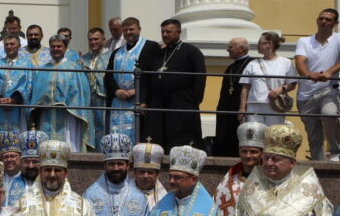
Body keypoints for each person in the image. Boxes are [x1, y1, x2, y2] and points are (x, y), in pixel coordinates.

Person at [294, 8, 340, 160]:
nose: (323, 22)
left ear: (335, 23)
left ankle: (335, 152)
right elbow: (300, 61)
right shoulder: (304, 41)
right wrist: (309, 74)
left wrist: (329, 72)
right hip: (306, 94)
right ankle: (318, 163)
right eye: (321, 18)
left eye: (328, 19)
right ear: (317, 20)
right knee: (314, 135)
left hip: (328, 90)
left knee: (330, 114)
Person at [142, 19, 206, 149]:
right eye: (163, 32)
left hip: (182, 102)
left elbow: (200, 78)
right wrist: (145, 100)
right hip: (158, 102)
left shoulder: (191, 51)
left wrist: (194, 100)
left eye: (168, 32)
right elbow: (147, 77)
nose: (165, 35)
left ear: (178, 32)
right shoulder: (158, 53)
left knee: (179, 138)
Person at [29, 35, 94, 152]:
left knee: (67, 143)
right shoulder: (43, 69)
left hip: (68, 114)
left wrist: (66, 100)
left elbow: (82, 92)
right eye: (53, 47)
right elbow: (37, 92)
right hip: (46, 114)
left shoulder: (74, 68)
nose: (56, 49)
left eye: (59, 46)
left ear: (65, 48)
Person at [104, 17, 160, 142]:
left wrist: (137, 91)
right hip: (118, 102)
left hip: (140, 101)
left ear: (139, 29)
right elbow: (108, 75)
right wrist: (116, 90)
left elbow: (155, 75)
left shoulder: (151, 47)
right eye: (125, 30)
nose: (128, 33)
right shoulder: (116, 52)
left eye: (131, 29)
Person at [238, 32, 295, 127]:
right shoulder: (252, 64)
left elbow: (292, 84)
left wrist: (281, 89)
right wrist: (242, 108)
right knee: (255, 138)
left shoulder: (286, 63)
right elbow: (245, 88)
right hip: (254, 106)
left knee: (273, 136)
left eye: (260, 42)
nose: (257, 45)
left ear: (270, 44)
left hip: (275, 106)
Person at [214, 37, 254, 155]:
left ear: (241, 48)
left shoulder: (252, 65)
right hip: (226, 110)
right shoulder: (230, 67)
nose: (227, 49)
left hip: (241, 109)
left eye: (230, 46)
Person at [80, 27, 110, 151]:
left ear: (103, 39)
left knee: (103, 126)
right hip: (87, 99)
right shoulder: (83, 59)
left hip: (104, 98)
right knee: (89, 128)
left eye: (96, 39)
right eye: (90, 39)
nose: (93, 42)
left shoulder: (111, 56)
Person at [0, 132, 29, 208]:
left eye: (13, 156)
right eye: (5, 157)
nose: (9, 160)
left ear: (20, 157)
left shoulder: (27, 181)